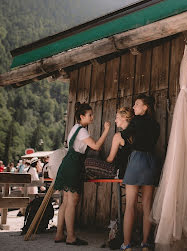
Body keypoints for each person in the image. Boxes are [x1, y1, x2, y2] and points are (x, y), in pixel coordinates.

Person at [54, 102, 111, 246]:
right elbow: (96, 146)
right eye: (90, 115)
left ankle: (59, 234)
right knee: (72, 202)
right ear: (82, 116)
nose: (92, 117)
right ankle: (71, 237)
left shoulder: (75, 128)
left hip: (68, 163)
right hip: (74, 164)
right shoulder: (82, 131)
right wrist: (106, 130)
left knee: (66, 201)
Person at [119, 94, 160, 251]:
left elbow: (123, 135)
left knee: (130, 205)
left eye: (137, 104)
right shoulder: (156, 125)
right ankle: (145, 243)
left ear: (145, 107)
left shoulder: (135, 121)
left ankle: (127, 243)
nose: (134, 107)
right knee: (147, 206)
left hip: (137, 161)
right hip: (151, 162)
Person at [105, 107, 134, 179]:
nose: (115, 120)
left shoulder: (118, 136)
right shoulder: (136, 133)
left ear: (124, 118)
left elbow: (110, 159)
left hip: (123, 172)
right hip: (135, 171)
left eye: (117, 117)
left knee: (89, 163)